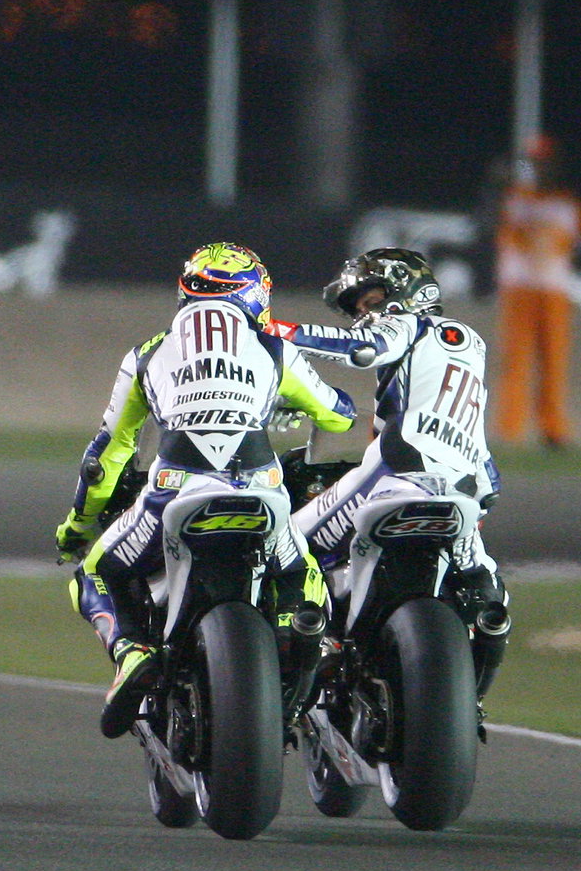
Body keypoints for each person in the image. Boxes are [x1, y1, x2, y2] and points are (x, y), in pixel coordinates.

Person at [53, 242, 358, 738]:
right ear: (255, 293)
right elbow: (338, 415)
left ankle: (131, 653)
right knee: (303, 567)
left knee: (95, 571)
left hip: (173, 492)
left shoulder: (147, 353)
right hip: (263, 489)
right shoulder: (273, 345)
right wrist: (283, 403)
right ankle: (301, 635)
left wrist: (78, 525)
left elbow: (104, 457)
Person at [280, 247, 511, 700]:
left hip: (396, 471)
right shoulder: (470, 343)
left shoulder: (410, 323)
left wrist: (275, 332)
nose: (365, 315)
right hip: (467, 485)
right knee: (487, 586)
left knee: (287, 543)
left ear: (405, 287)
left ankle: (318, 639)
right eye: (359, 308)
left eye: (371, 301)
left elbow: (364, 349)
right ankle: (479, 666)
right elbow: (485, 465)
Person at [492, 133, 581, 450]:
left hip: (553, 289)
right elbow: (490, 219)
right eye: (536, 162)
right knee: (515, 360)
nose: (540, 168)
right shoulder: (515, 197)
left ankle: (553, 428)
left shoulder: (567, 203)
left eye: (544, 162)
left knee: (553, 362)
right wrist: (495, 185)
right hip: (520, 290)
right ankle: (510, 429)